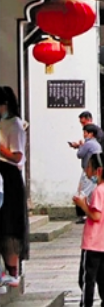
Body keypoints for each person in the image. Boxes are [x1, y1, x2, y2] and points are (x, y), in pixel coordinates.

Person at [73, 152, 104, 307]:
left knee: (87, 279)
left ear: (99, 170)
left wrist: (83, 205)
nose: (86, 171)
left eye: (89, 167)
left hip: (93, 243)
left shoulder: (98, 191)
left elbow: (96, 215)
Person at [0, 87, 29, 288]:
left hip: (9, 175)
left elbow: (17, 157)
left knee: (10, 224)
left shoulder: (15, 124)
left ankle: (13, 271)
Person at [75, 124, 103, 224]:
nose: (84, 134)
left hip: (88, 171)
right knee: (91, 192)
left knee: (83, 192)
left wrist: (80, 146)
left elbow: (80, 154)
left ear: (91, 134)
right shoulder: (97, 144)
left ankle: (83, 214)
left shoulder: (88, 144)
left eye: (85, 132)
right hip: (95, 172)